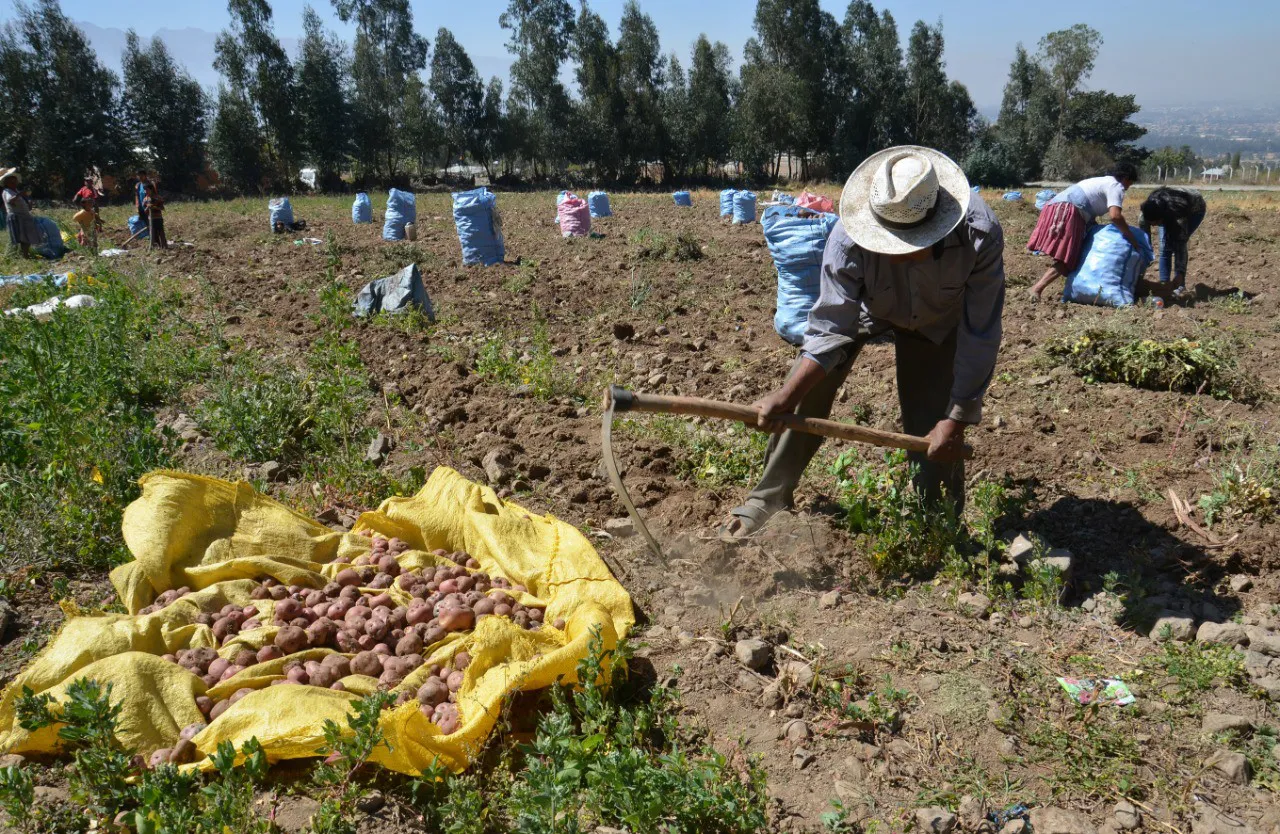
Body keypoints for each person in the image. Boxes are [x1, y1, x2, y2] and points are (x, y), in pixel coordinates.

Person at [720, 145, 1005, 539]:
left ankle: (938, 525)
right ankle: (767, 497)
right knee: (806, 388)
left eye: (908, 245)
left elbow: (981, 333)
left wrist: (957, 419)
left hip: (939, 322)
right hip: (871, 309)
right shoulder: (847, 238)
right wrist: (785, 397)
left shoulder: (979, 233)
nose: (897, 255)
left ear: (937, 225)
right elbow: (828, 330)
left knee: (934, 427)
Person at [1026, 162, 1141, 301]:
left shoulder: (1102, 181)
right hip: (1068, 211)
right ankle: (1037, 288)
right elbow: (1115, 216)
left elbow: (1090, 204)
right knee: (1069, 258)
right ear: (1126, 178)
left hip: (1059, 207)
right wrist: (1130, 236)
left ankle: (1040, 288)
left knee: (1070, 255)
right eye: (1130, 182)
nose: (1128, 187)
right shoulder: (1116, 186)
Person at [1138, 186, 1206, 298]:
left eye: (1156, 223)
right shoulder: (1144, 215)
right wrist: (1144, 260)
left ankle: (1180, 286)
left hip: (1195, 208)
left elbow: (1181, 243)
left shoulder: (1178, 216)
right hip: (1169, 206)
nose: (1154, 226)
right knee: (1164, 247)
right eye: (1151, 223)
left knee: (1175, 242)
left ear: (1162, 218)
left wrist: (1180, 272)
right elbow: (1144, 241)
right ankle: (1164, 284)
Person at [1, 168, 40, 259]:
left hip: (24, 216)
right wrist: (20, 195)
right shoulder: (7, 192)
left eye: (15, 181)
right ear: (7, 183)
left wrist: (29, 202)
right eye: (11, 182)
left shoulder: (16, 191)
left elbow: (25, 204)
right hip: (16, 217)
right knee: (21, 238)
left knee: (26, 237)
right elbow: (10, 201)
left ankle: (25, 255)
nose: (14, 183)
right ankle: (21, 256)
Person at [143, 181, 167, 250]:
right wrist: (148, 207)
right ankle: (154, 247)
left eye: (147, 190)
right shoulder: (145, 199)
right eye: (145, 190)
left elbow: (162, 208)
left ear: (151, 189)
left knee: (161, 233)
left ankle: (164, 247)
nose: (146, 191)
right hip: (151, 219)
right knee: (152, 234)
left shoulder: (158, 198)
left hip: (158, 218)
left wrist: (154, 207)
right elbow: (145, 211)